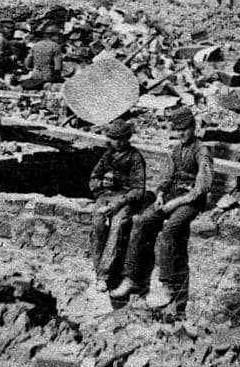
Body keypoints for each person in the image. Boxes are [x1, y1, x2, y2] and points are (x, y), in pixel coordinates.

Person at [111, 107, 213, 311]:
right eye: (178, 130)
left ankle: (167, 285)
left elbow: (202, 186)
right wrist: (159, 195)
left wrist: (176, 203)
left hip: (191, 200)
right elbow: (166, 178)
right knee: (141, 221)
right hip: (171, 194)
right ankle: (131, 277)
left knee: (171, 229)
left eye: (185, 129)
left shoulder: (202, 151)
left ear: (194, 128)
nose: (181, 133)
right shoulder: (176, 150)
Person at [89, 119, 149, 292]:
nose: (119, 142)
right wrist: (103, 184)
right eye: (115, 139)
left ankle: (104, 275)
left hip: (124, 199)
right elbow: (93, 180)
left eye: (122, 138)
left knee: (117, 226)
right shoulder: (108, 155)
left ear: (128, 138)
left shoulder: (135, 157)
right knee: (98, 224)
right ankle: (99, 272)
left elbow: (138, 189)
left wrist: (119, 203)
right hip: (106, 196)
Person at [20, 23, 64, 89]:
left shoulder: (36, 45)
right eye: (58, 36)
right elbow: (57, 68)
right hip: (47, 78)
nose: (59, 38)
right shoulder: (55, 46)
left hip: (35, 76)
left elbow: (27, 63)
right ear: (53, 35)